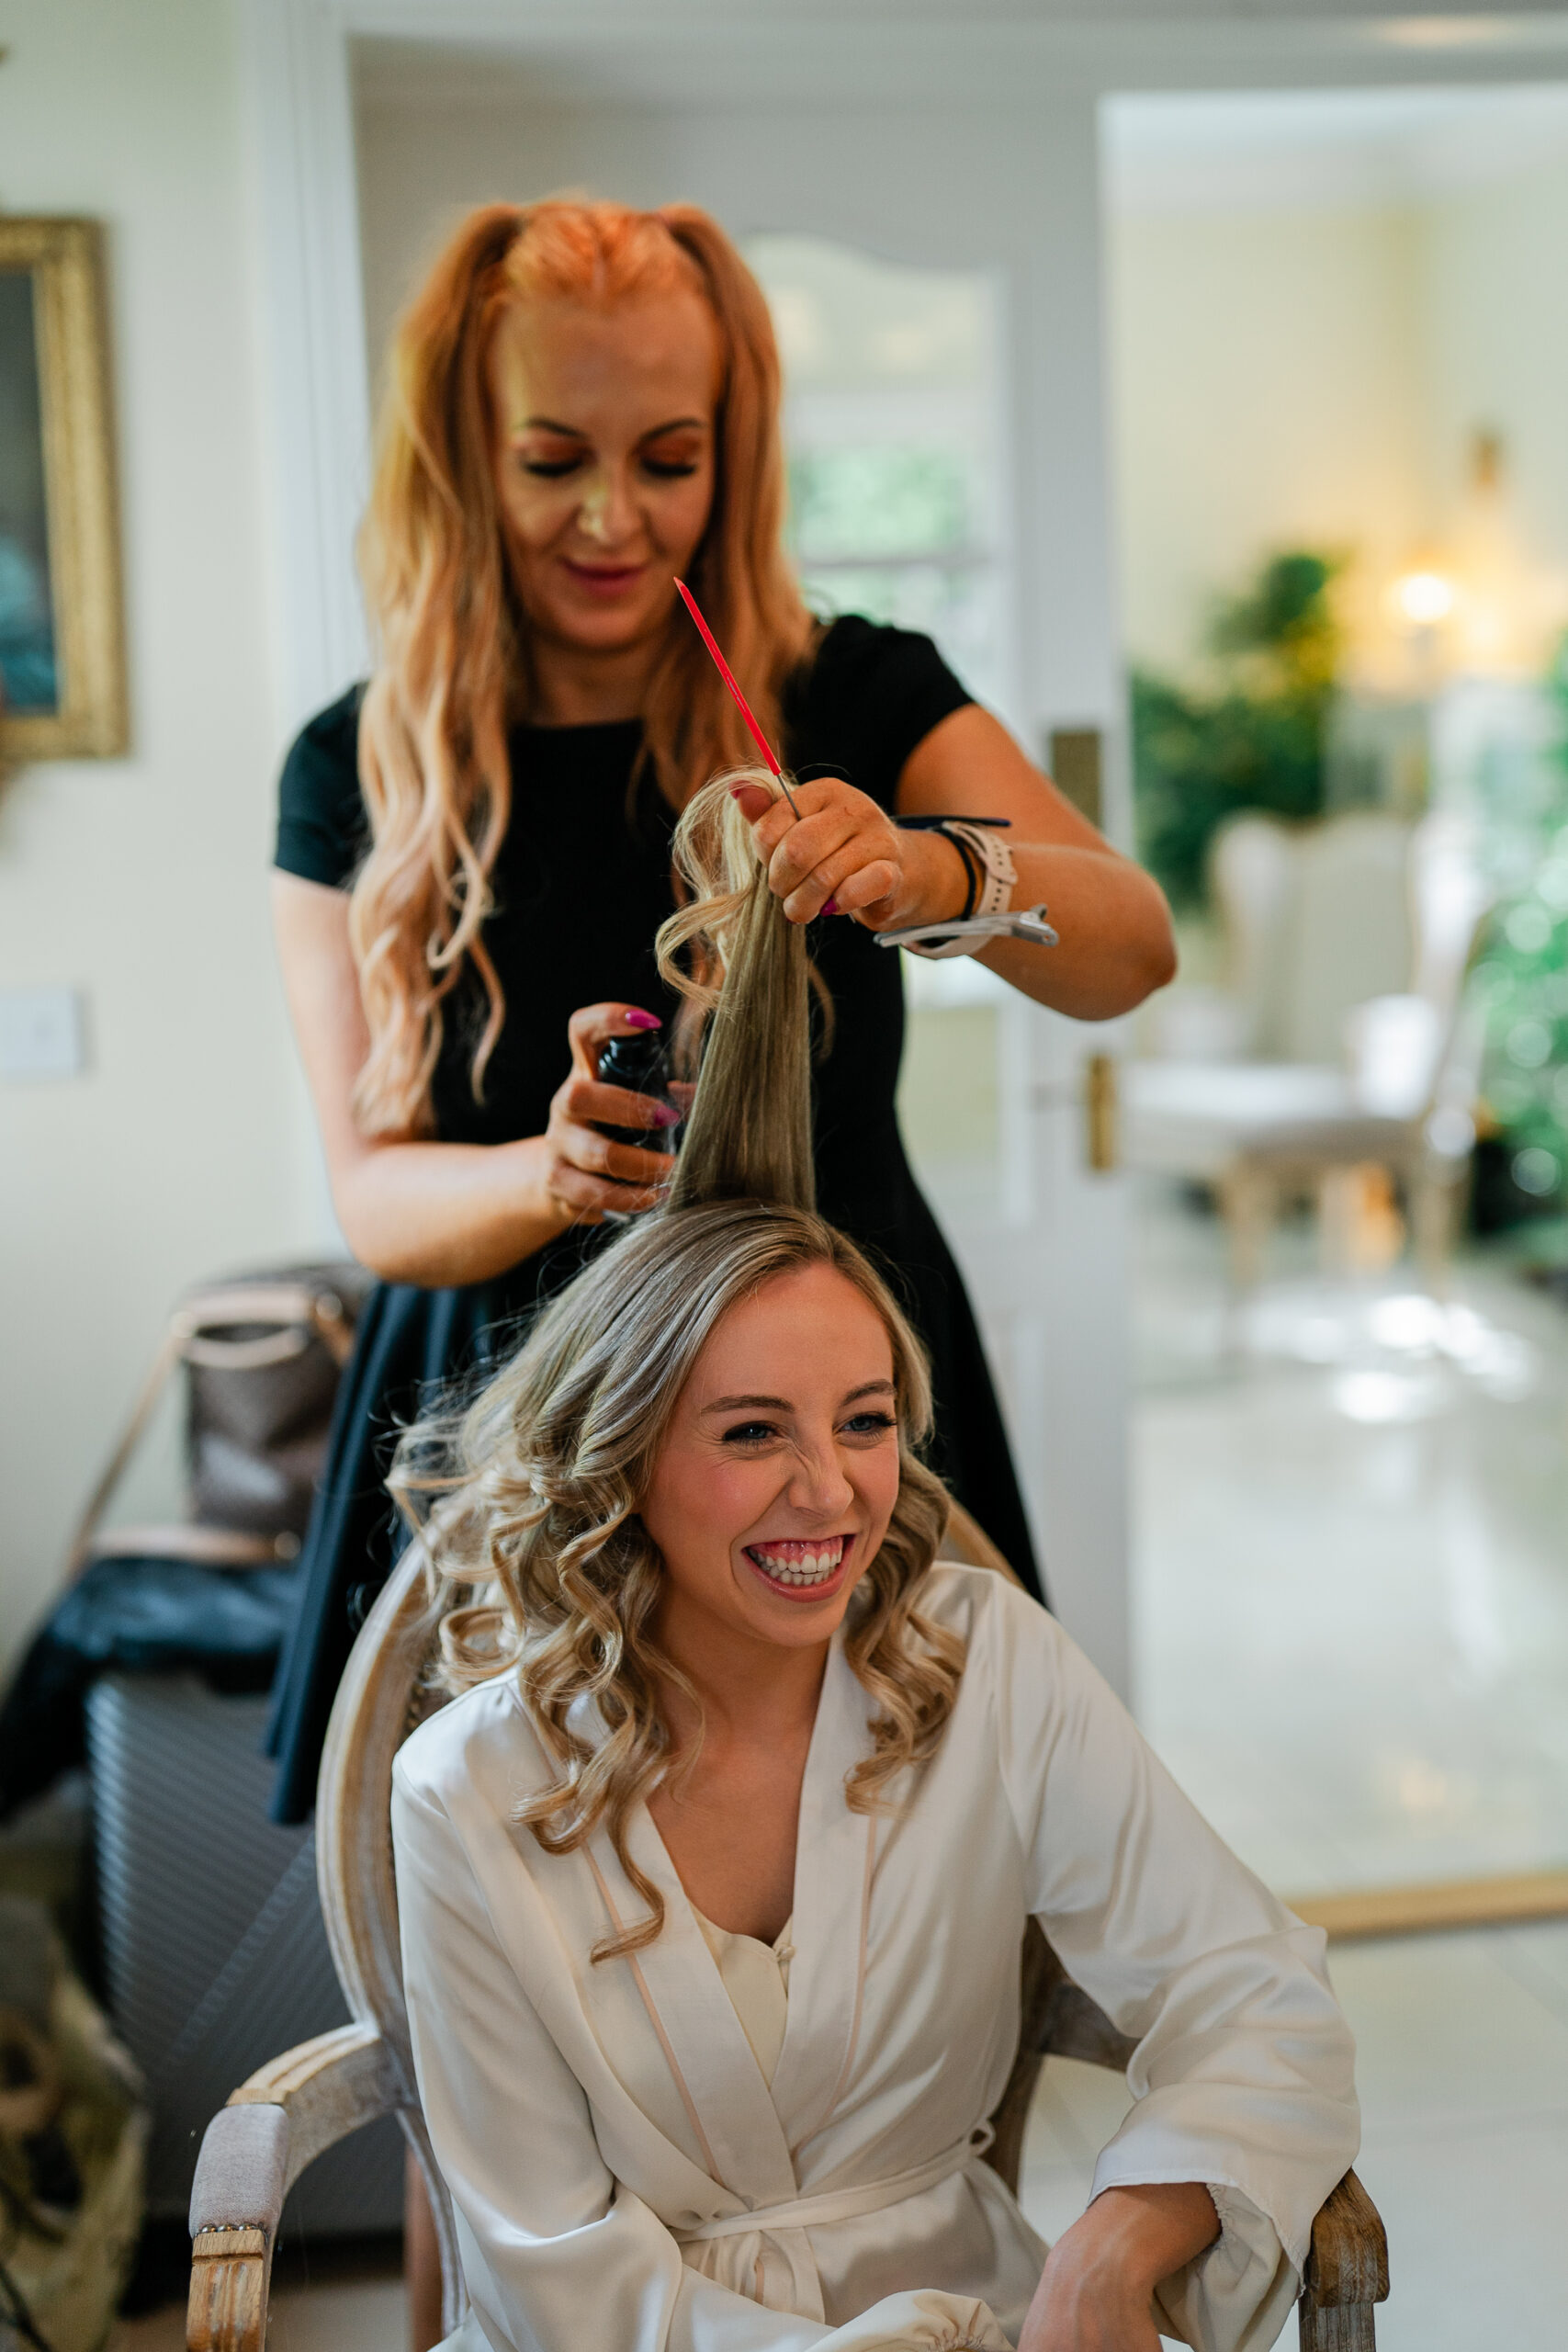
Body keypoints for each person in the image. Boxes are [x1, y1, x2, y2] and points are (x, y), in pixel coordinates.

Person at [389, 776, 1357, 2352]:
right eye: (752, 1432)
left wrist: (1112, 2250)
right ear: (620, 1465)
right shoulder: (467, 1794)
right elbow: (547, 2272)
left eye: (863, 1419)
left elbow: (1257, 1994)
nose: (830, 1492)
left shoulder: (983, 1662)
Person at [266, 196, 1176, 1825]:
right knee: (521, 1971)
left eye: (669, 459)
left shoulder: (858, 696)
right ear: (466, 456)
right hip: (508, 1444)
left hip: (840, 1420)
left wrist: (934, 867)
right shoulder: (358, 766)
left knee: (909, 1910)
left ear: (732, 452)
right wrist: (543, 1178)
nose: (615, 518)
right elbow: (375, 1197)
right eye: (554, 462)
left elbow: (1130, 947)